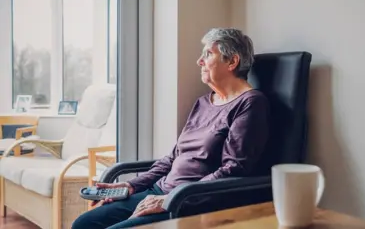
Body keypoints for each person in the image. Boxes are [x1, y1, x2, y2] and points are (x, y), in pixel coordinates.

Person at [72, 28, 270, 229]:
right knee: (84, 224)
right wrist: (133, 185)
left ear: (232, 62)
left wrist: (170, 199)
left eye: (208, 54)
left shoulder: (250, 103)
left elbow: (233, 169)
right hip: (162, 191)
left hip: (192, 202)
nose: (199, 61)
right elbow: (174, 157)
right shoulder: (203, 103)